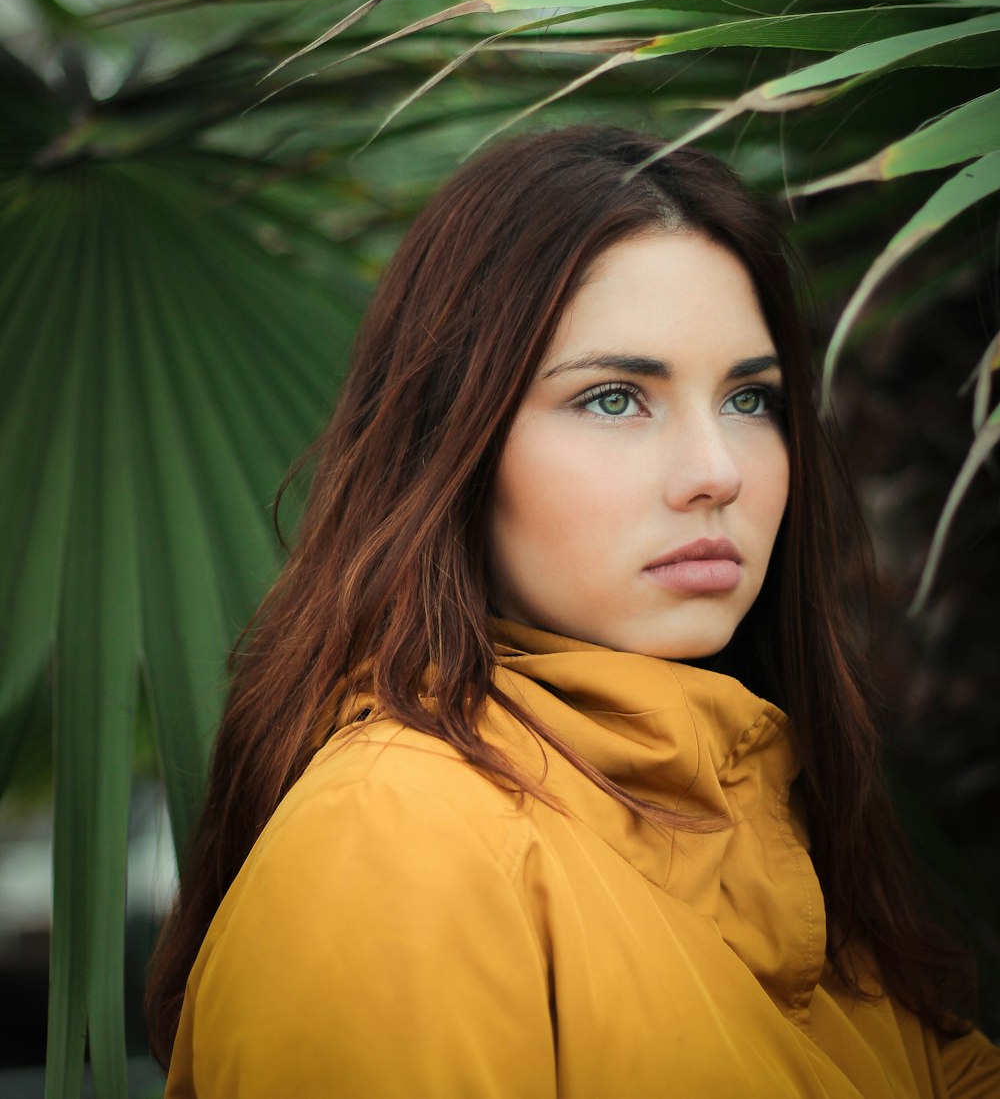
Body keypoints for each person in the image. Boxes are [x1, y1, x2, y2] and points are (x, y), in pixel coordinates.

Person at [146, 126, 1000, 1097]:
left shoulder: (775, 812)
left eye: (750, 400)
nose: (715, 471)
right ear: (454, 446)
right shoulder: (397, 841)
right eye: (612, 399)